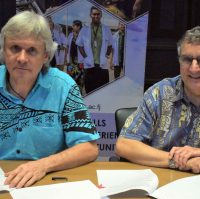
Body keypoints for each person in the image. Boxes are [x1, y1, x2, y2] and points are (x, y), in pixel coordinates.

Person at [0, 10, 99, 188]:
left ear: (45, 55)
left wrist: (43, 165)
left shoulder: (63, 86)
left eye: (32, 51)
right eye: (15, 48)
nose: (22, 58)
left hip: (46, 182)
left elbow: (88, 148)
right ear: (3, 50)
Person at [116, 26, 200, 173]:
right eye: (187, 60)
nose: (194, 69)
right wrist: (177, 161)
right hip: (162, 184)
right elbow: (124, 144)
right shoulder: (160, 93)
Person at [76, 6, 113, 94]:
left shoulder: (106, 29)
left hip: (102, 66)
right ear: (90, 15)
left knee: (103, 91)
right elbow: (79, 44)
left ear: (101, 15)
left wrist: (107, 55)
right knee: (90, 90)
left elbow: (110, 44)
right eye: (94, 14)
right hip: (90, 66)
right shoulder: (85, 29)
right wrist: (85, 57)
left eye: (98, 14)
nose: (96, 16)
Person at [66, 20, 84, 94]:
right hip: (71, 61)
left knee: (80, 79)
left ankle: (79, 94)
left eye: (74, 26)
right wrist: (66, 59)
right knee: (70, 78)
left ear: (78, 26)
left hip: (80, 61)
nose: (72, 27)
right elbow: (67, 47)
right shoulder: (70, 35)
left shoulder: (83, 36)